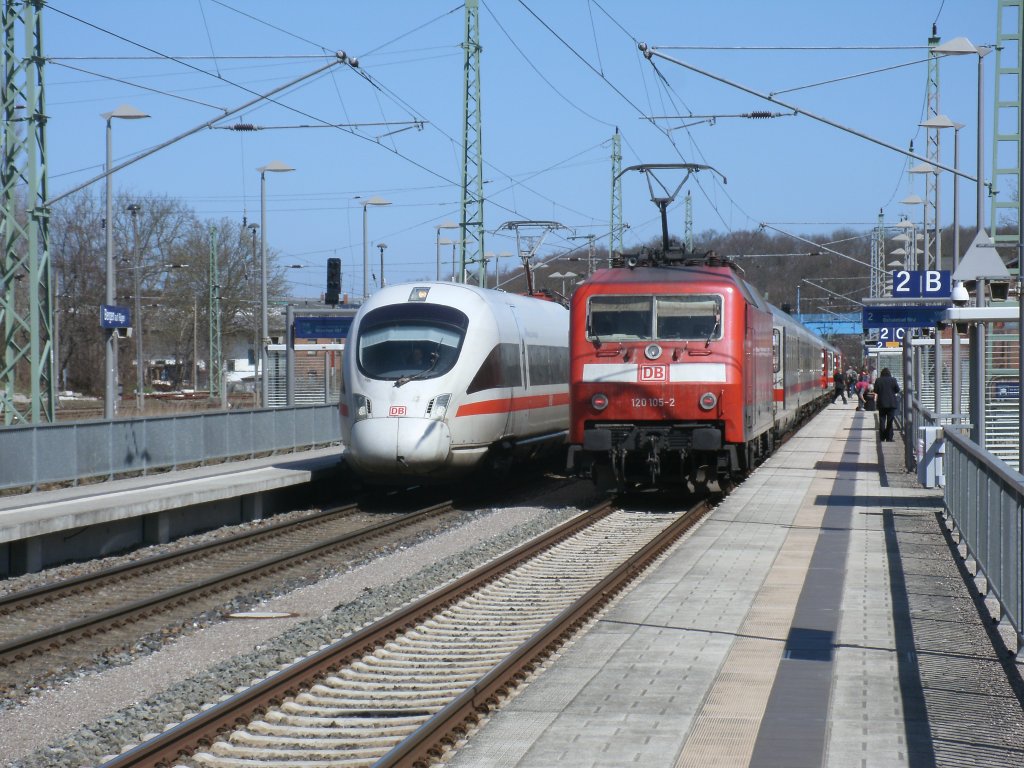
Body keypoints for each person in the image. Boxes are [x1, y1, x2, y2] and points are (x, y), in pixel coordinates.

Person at [873, 367, 901, 441]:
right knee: (890, 421)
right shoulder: (893, 380)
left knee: (882, 420)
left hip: (882, 403)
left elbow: (875, 390)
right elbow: (897, 390)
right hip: (891, 403)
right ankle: (889, 437)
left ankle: (882, 437)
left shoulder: (878, 380)